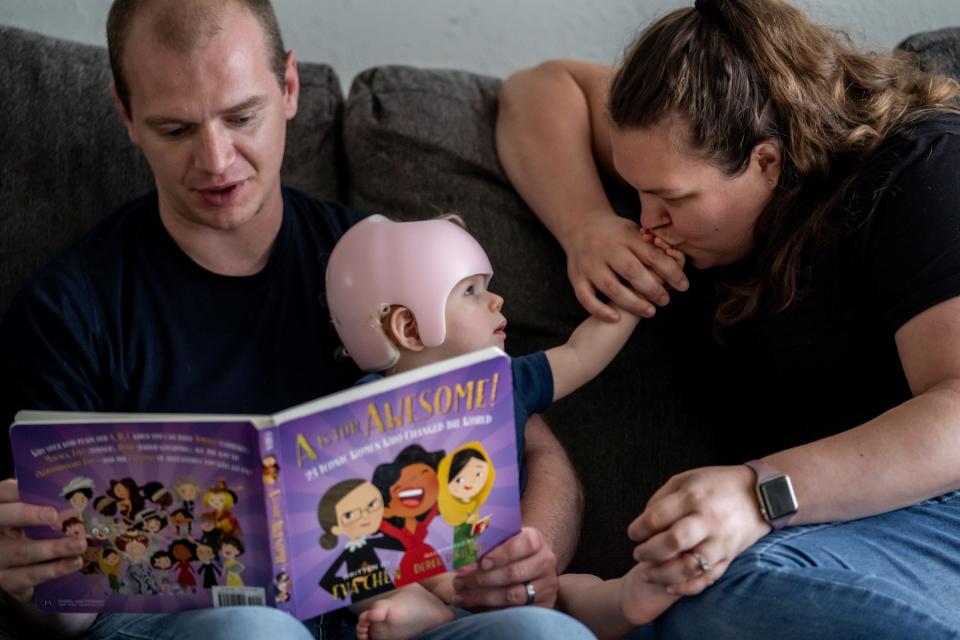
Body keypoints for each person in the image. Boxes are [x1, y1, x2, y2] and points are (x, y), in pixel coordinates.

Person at [0, 1, 585, 639]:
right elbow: (60, 601)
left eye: (241, 116)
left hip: (405, 615)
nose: (217, 160)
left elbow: (531, 439)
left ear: (288, 88)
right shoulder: (67, 310)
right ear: (126, 115)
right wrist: (27, 576)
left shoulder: (380, 265)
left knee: (545, 632)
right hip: (194, 625)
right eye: (175, 130)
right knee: (257, 630)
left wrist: (530, 554)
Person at [496, 0, 960, 637]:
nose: (648, 218)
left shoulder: (920, 168)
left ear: (766, 162)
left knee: (718, 591)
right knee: (701, 589)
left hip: (936, 510)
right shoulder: (687, 151)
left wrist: (759, 493)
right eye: (637, 193)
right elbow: (539, 88)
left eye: (671, 199)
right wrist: (587, 226)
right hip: (816, 541)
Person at [324, 214, 682, 639]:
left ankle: (625, 598)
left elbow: (581, 355)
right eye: (472, 292)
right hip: (416, 572)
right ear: (410, 328)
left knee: (574, 591)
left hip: (505, 577)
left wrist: (633, 299)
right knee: (363, 571)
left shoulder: (507, 380)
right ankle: (421, 609)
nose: (496, 301)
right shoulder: (357, 413)